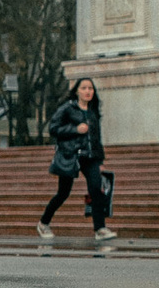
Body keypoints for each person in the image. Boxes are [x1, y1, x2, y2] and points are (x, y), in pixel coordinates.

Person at [37, 76, 114, 248]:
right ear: (77, 91)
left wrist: (100, 159)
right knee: (63, 193)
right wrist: (75, 129)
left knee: (96, 190)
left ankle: (100, 229)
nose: (88, 91)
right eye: (84, 88)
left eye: (91, 89)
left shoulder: (93, 112)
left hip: (90, 156)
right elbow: (53, 129)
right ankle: (43, 223)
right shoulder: (67, 109)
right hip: (70, 156)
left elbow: (96, 138)